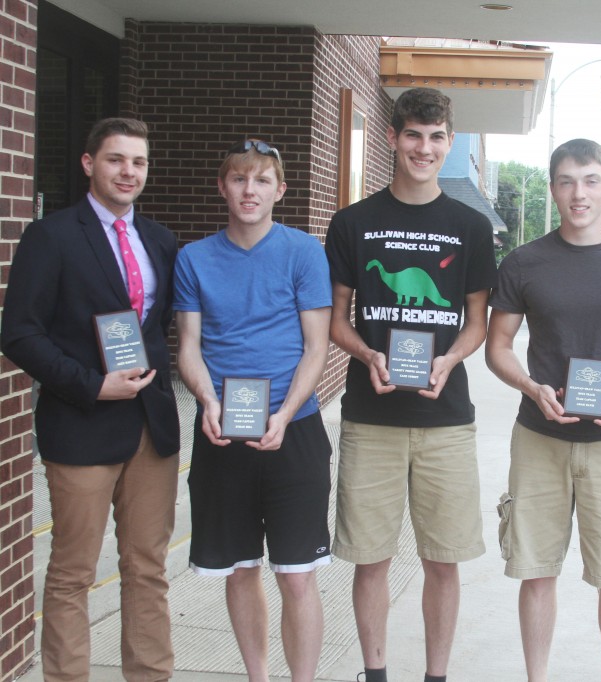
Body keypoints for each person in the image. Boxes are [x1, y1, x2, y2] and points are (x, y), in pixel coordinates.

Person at [325, 87, 497, 682]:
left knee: (442, 560)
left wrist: (448, 360)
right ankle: (375, 672)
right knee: (369, 559)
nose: (424, 148)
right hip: (370, 418)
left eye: (436, 137)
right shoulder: (352, 223)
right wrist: (368, 351)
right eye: (413, 136)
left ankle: (436, 675)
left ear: (448, 143)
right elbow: (336, 319)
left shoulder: (471, 227)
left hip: (445, 417)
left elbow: (476, 322)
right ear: (395, 138)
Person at [486, 138, 601, 682]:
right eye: (567, 181)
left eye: (590, 180)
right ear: (553, 190)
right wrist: (530, 385)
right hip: (539, 437)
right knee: (535, 571)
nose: (579, 192)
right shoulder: (524, 262)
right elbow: (498, 345)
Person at [1, 117, 180, 681]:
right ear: (88, 164)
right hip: (81, 424)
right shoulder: (50, 236)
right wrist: (90, 383)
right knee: (73, 572)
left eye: (138, 162)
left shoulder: (160, 240)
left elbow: (162, 327)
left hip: (151, 427)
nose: (128, 172)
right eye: (116, 159)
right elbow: (19, 333)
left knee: (147, 568)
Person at [174, 138, 333, 681]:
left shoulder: (304, 252)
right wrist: (209, 402)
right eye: (239, 179)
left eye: (262, 180)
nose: (249, 190)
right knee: (240, 570)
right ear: (223, 187)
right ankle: (257, 677)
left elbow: (317, 347)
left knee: (296, 574)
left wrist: (285, 414)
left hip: (296, 431)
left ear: (279, 191)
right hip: (223, 432)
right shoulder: (193, 258)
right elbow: (189, 345)